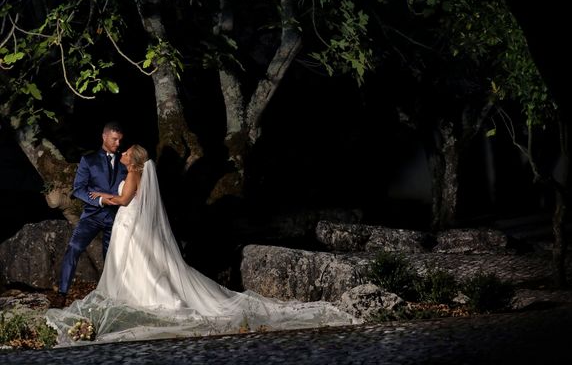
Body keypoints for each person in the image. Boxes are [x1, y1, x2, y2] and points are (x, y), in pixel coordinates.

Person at [45, 144, 360, 345]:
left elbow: (124, 199)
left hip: (128, 222)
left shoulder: (133, 175)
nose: (123, 153)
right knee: (132, 262)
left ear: (134, 158)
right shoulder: (136, 173)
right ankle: (137, 293)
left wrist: (100, 197)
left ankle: (148, 297)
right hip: (129, 223)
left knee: (135, 263)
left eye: (126, 152)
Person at [50, 121, 127, 308]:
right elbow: (78, 189)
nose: (118, 144)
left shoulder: (126, 162)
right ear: (104, 136)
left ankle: (113, 299)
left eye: (120, 140)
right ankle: (62, 294)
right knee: (73, 248)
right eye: (114, 139)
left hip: (116, 218)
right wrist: (99, 200)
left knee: (112, 258)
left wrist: (113, 199)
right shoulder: (88, 160)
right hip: (91, 216)